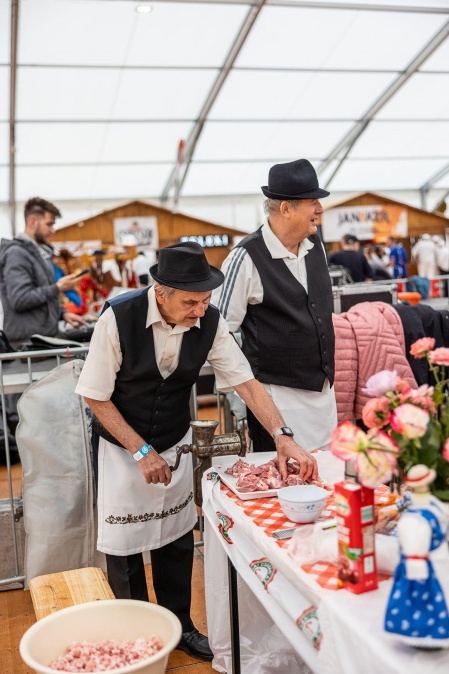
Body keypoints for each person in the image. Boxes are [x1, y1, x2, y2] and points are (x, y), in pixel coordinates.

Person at [75, 241, 317, 662]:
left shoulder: (210, 321)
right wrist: (140, 451)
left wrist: (282, 435)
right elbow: (96, 397)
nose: (200, 310)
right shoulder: (118, 318)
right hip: (121, 447)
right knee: (125, 550)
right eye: (191, 301)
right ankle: (136, 642)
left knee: (176, 541)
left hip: (171, 439)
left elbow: (246, 383)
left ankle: (181, 627)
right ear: (160, 292)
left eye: (206, 300)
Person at [213, 158, 337, 455]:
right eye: (312, 202)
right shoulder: (245, 258)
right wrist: (242, 395)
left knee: (329, 479)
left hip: (323, 398)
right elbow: (218, 332)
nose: (320, 209)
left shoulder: (314, 244)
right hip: (277, 400)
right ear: (286, 208)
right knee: (285, 488)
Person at [0, 197, 86, 349]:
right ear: (33, 222)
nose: (52, 230)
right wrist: (58, 288)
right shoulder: (17, 254)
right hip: (28, 346)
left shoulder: (38, 253)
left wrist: (62, 313)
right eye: (49, 224)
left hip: (42, 340)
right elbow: (20, 299)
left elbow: (41, 294)